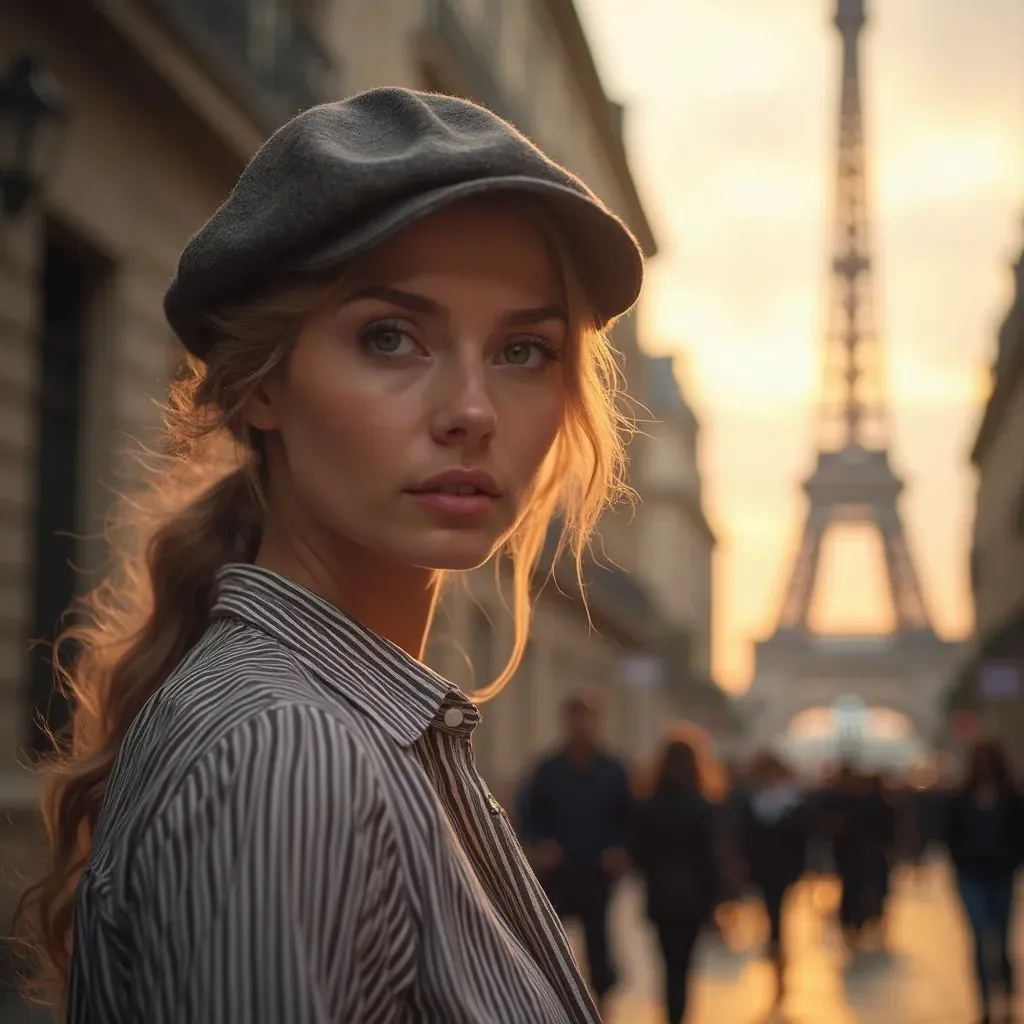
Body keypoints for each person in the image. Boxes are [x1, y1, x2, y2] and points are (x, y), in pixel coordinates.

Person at [14, 87, 646, 1023]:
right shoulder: (292, 755)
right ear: (260, 385)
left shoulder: (343, 726)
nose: (472, 409)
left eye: (524, 349)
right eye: (391, 337)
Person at [517, 694, 634, 1012]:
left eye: (589, 718)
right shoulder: (548, 769)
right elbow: (529, 813)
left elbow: (628, 817)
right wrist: (540, 843)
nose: (582, 725)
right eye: (576, 717)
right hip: (558, 872)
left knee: (599, 942)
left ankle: (602, 1005)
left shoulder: (613, 769)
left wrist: (620, 850)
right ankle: (551, 1004)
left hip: (597, 871)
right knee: (550, 940)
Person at [632, 726, 721, 1024]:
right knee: (684, 965)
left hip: (660, 895)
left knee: (666, 963)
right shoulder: (703, 806)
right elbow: (710, 859)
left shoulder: (649, 807)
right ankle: (680, 1016)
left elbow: (639, 856)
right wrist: (716, 902)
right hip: (693, 898)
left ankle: (669, 1015)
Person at [944, 738, 1024, 1024]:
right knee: (979, 937)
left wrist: (1011, 861)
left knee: (1001, 941)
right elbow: (950, 835)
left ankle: (1006, 997)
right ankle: (984, 1002)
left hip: (1001, 876)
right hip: (972, 877)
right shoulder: (962, 799)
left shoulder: (1011, 798)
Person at [739, 751, 810, 1011]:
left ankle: (779, 969)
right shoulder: (755, 803)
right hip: (762, 874)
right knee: (773, 922)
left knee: (777, 922)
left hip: (783, 874)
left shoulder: (791, 803)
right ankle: (777, 967)